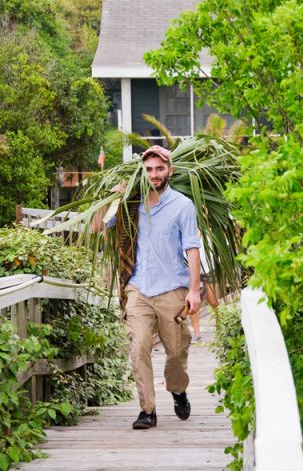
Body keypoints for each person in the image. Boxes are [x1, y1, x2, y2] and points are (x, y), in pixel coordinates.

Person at [93, 144, 201, 430]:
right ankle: (147, 411)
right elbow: (96, 227)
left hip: (172, 290)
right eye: (149, 169)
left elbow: (192, 247)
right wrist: (113, 198)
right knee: (139, 347)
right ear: (142, 172)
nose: (154, 174)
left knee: (176, 352)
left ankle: (178, 390)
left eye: (159, 169)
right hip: (138, 289)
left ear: (170, 170)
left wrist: (194, 289)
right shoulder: (131, 203)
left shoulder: (183, 205)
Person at [190, 240, 220, 343]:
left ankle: (220, 326)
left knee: (213, 301)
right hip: (192, 270)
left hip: (208, 269)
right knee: (194, 304)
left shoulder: (206, 230)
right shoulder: (186, 230)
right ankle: (197, 334)